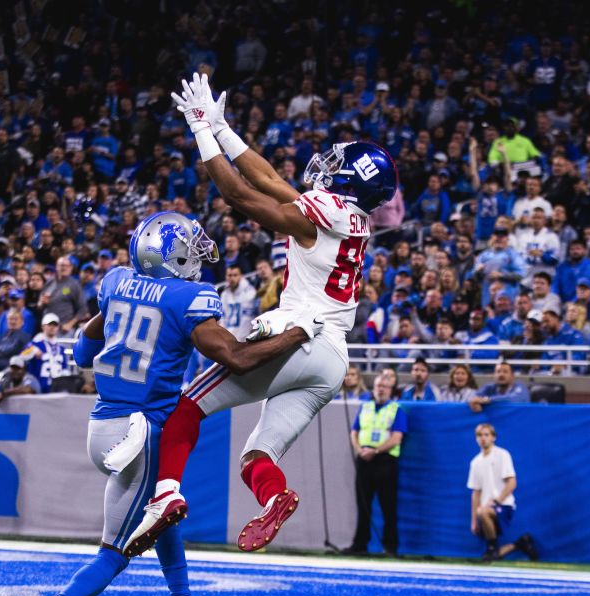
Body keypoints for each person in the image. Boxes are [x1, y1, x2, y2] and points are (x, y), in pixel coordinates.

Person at [4, 211, 314, 596]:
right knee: (114, 553)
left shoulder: (115, 283)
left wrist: (114, 319)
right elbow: (234, 357)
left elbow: (83, 352)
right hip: (141, 433)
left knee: (163, 512)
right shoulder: (189, 297)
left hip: (103, 425)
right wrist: (296, 334)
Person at [140, 74, 397, 555]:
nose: (329, 165)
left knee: (185, 409)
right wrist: (222, 127)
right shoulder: (352, 218)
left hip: (298, 339)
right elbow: (272, 181)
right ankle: (275, 496)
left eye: (341, 164)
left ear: (354, 178)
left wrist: (199, 130)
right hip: (333, 360)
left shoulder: (324, 212)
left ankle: (165, 494)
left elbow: (242, 195)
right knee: (257, 455)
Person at [343, 373, 407, 556]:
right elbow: (354, 432)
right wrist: (359, 449)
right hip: (364, 459)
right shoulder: (366, 408)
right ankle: (360, 544)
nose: (381, 389)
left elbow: (397, 437)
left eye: (385, 386)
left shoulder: (396, 410)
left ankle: (390, 547)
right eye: (378, 385)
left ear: (390, 390)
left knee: (388, 506)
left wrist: (376, 451)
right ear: (373, 388)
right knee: (363, 504)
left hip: (385, 461)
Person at [467, 423, 537, 562]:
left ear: (493, 437)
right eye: (480, 435)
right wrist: (474, 520)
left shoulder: (502, 455)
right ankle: (518, 544)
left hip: (504, 505)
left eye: (486, 435)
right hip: (486, 509)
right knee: (482, 512)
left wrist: (497, 501)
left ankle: (492, 548)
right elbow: (476, 493)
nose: (483, 438)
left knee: (483, 511)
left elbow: (512, 482)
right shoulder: (475, 462)